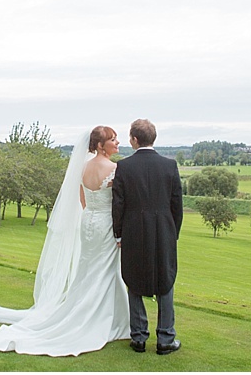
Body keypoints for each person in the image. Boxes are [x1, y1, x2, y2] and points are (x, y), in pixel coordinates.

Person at [0, 126, 130, 356]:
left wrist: (93, 215)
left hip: (88, 222)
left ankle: (101, 315)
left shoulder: (83, 167)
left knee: (89, 269)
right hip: (105, 225)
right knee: (105, 271)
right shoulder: (115, 169)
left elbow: (83, 201)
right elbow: (119, 203)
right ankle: (105, 320)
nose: (117, 143)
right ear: (100, 145)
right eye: (113, 140)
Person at [112, 118, 183, 355]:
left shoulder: (124, 167)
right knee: (166, 279)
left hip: (133, 229)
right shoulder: (170, 165)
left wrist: (118, 233)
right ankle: (165, 338)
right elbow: (177, 204)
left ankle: (139, 337)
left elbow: (118, 204)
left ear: (133, 139)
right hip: (164, 229)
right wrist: (174, 232)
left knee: (133, 278)